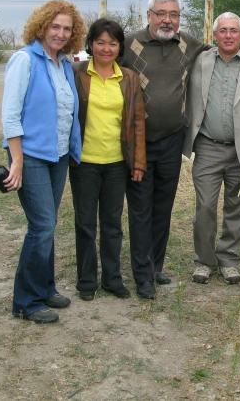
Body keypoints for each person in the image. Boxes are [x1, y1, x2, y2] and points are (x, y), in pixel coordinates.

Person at [117, 0, 210, 299]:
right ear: (149, 15)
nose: (168, 19)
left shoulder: (189, 44)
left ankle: (155, 266)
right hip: (138, 143)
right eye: (161, 13)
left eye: (174, 14)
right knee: (141, 209)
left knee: (163, 207)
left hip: (172, 139)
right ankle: (142, 276)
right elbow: (99, 64)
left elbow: (222, 50)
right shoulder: (129, 44)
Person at [1, 0, 86, 323]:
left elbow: (65, 111)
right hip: (32, 156)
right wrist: (17, 160)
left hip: (58, 155)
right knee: (42, 226)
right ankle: (25, 301)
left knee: (47, 226)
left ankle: (46, 287)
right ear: (42, 26)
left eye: (67, 28)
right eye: (55, 26)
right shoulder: (24, 60)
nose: (61, 33)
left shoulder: (63, 63)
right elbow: (10, 115)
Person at [182, 12, 240, 285]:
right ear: (214, 35)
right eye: (222, 30)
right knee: (205, 207)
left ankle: (229, 259)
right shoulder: (199, 61)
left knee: (238, 208)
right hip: (208, 147)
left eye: (234, 30)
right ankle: (205, 261)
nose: (228, 35)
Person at [70, 19, 146, 301]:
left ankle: (112, 279)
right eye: (100, 42)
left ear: (120, 47)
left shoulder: (129, 78)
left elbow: (138, 121)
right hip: (84, 163)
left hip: (117, 164)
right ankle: (86, 281)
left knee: (113, 224)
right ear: (90, 44)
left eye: (112, 43)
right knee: (85, 224)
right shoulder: (76, 72)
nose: (106, 48)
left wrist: (138, 162)